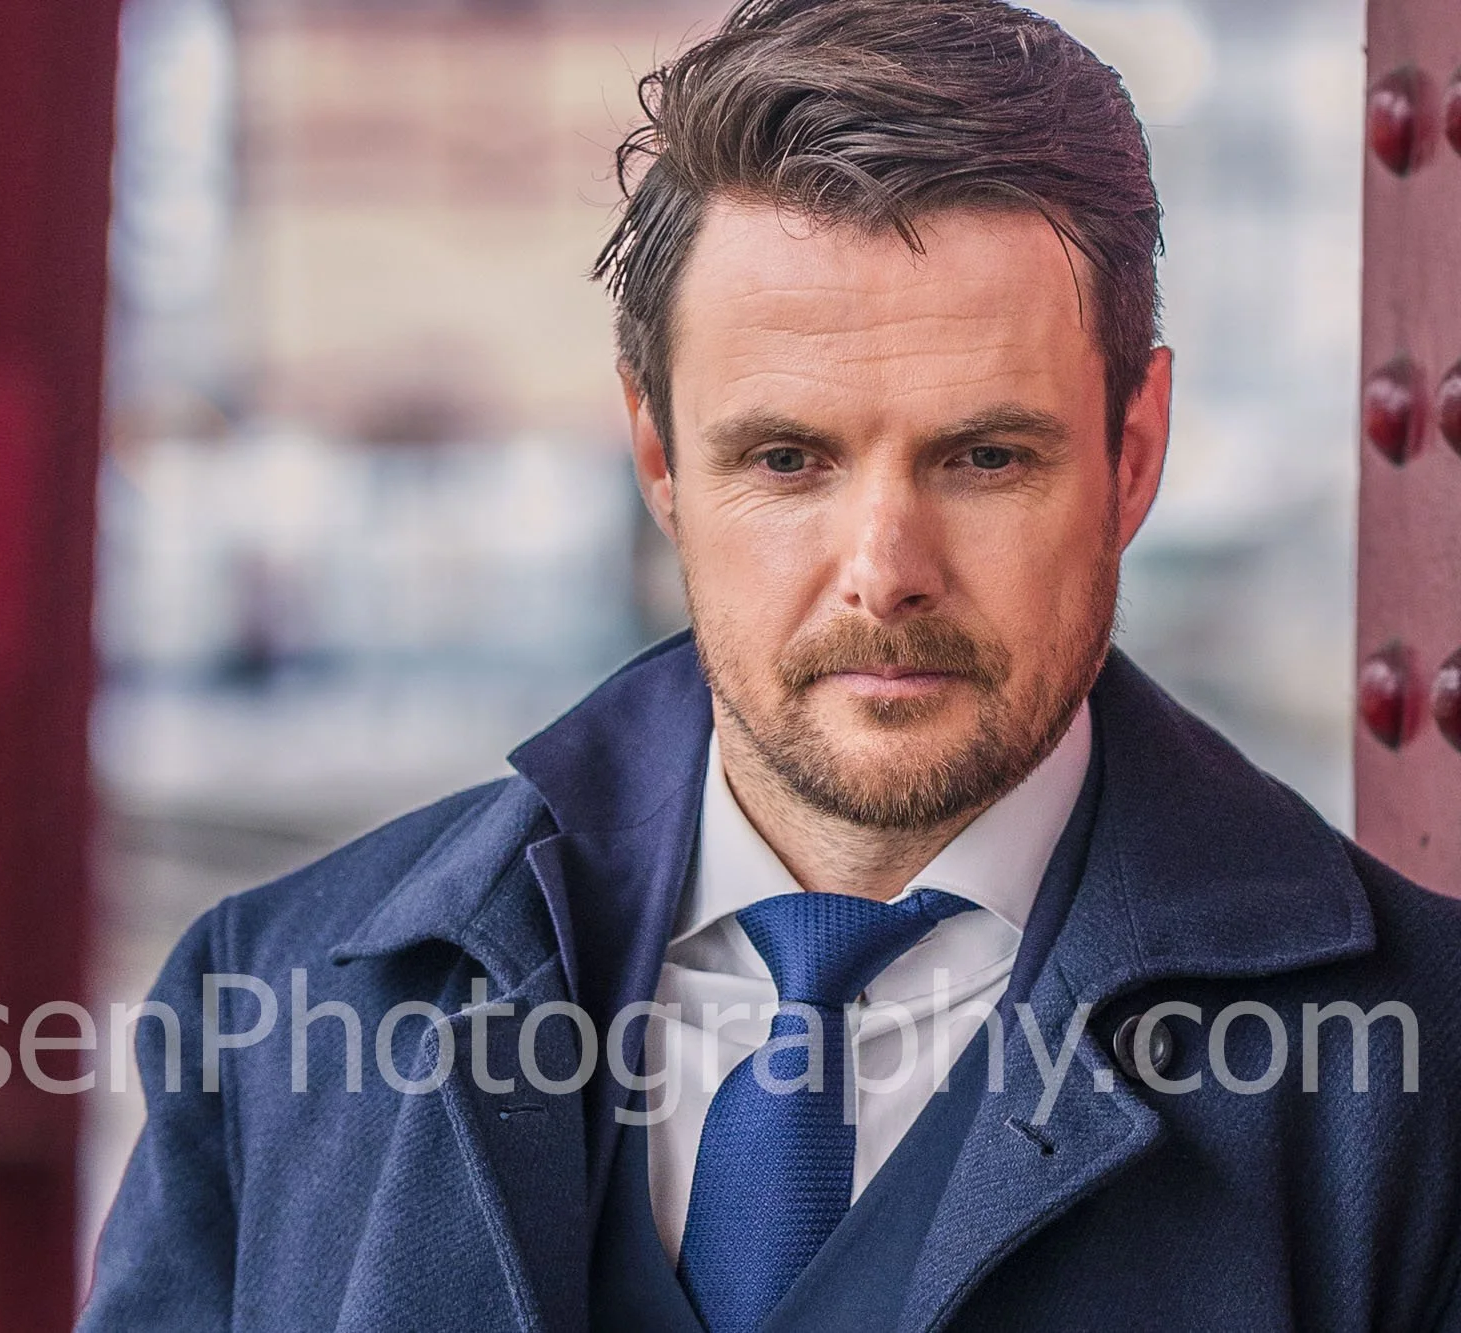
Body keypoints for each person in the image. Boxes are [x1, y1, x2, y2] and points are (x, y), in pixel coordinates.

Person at [79, 2, 1461, 1328]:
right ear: (661, 459)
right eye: (788, 460)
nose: (885, 566)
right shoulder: (274, 1007)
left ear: (1135, 454)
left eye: (986, 457)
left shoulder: (1428, 1074)